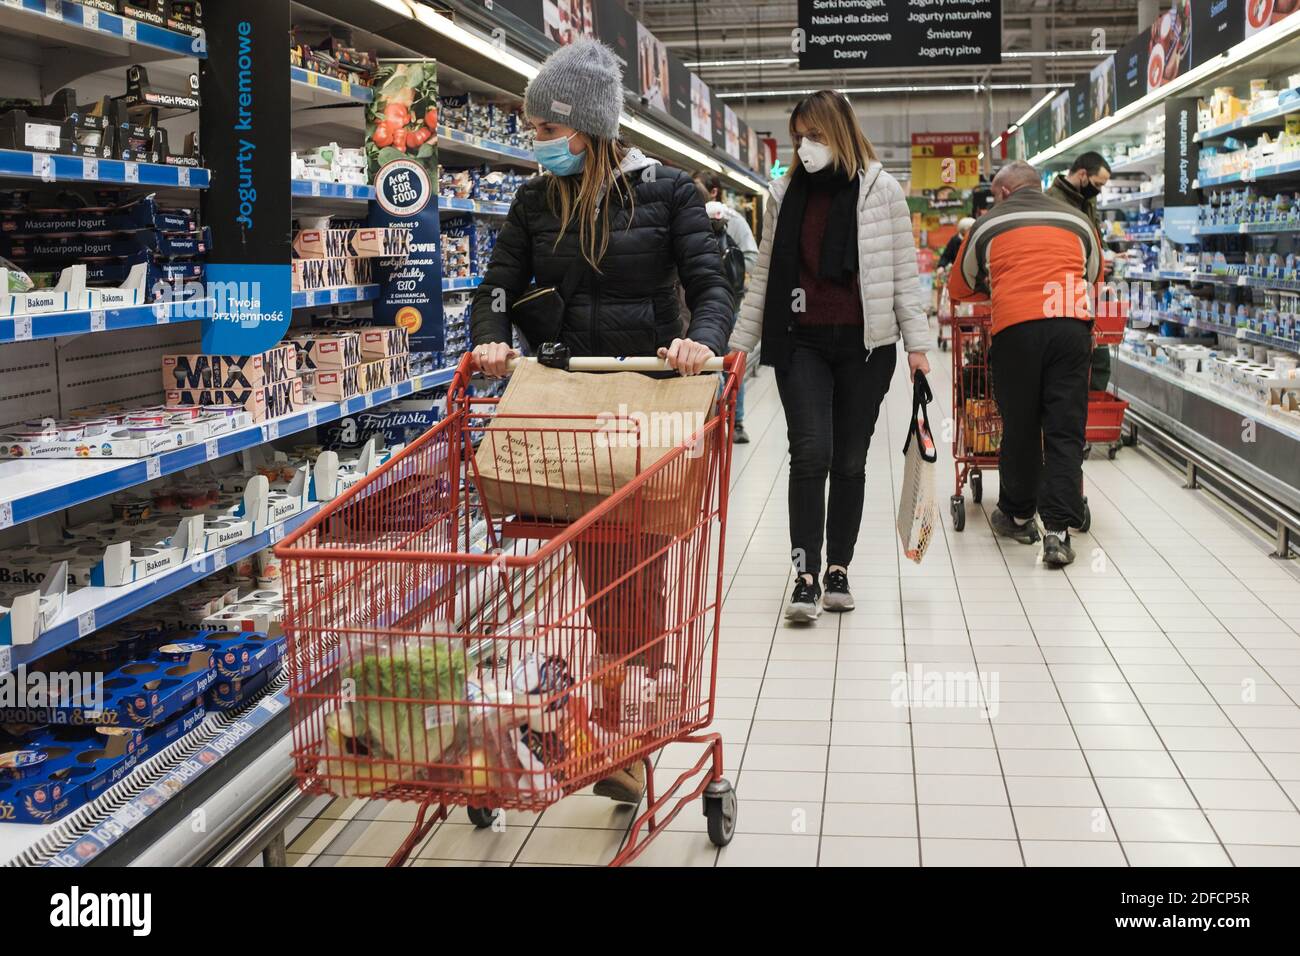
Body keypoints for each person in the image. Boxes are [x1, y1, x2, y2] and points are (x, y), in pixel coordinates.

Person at [469, 37, 734, 802]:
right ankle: (626, 717)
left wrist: (701, 343)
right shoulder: (533, 200)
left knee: (634, 565)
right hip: (565, 404)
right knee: (605, 572)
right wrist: (489, 339)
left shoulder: (668, 192)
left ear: (582, 128)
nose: (536, 143)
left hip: (643, 405)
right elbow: (495, 285)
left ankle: (629, 719)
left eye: (544, 131)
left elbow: (710, 284)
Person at [729, 89, 932, 622]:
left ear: (838, 133)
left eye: (814, 136)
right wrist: (737, 350)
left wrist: (918, 346)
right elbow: (766, 280)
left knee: (849, 459)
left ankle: (838, 569)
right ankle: (805, 575)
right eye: (799, 138)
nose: (805, 148)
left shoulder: (881, 192)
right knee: (811, 452)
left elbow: (903, 277)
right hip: (802, 343)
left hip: (867, 346)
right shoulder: (782, 193)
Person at [947, 160, 1104, 568]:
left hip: (1016, 331)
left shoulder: (987, 223)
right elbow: (1094, 274)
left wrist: (996, 282)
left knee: (1020, 426)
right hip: (1071, 328)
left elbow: (959, 285)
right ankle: (1057, 533)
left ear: (1001, 192)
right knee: (1064, 430)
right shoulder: (1077, 220)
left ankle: (1017, 515)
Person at [694, 170, 758, 443]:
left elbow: (752, 258)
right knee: (710, 365)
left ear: (713, 192)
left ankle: (736, 419)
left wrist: (728, 273)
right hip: (696, 304)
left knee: (730, 363)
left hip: (730, 302)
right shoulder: (687, 218)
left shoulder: (735, 222)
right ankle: (711, 420)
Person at [1047, 151, 1113, 392]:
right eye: (1097, 184)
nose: (1099, 191)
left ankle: (1092, 412)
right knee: (1072, 360)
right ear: (1083, 175)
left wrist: (1108, 254)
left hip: (1091, 289)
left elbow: (1095, 237)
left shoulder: (1088, 200)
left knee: (1100, 357)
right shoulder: (1052, 201)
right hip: (1064, 292)